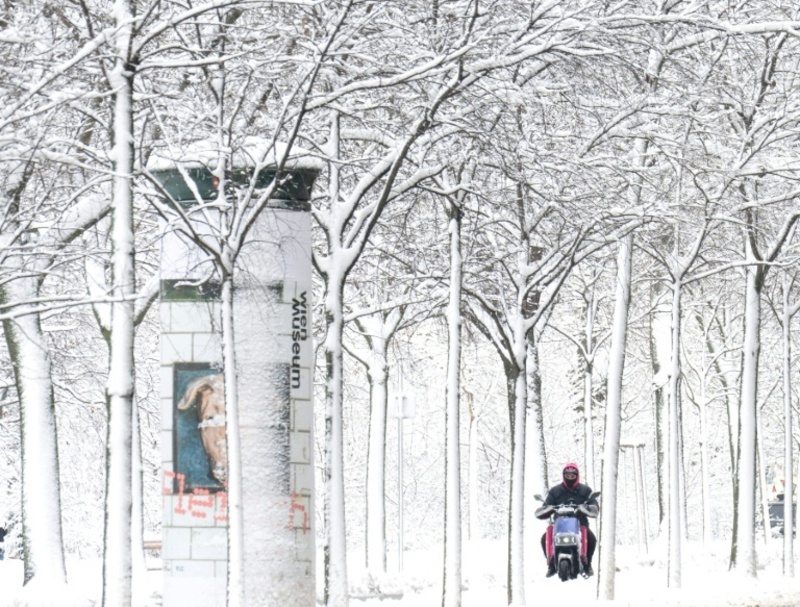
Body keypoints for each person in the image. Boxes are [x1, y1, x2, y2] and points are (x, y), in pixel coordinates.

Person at [536, 462, 599, 577]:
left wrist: (589, 507)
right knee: (544, 538)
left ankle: (587, 564)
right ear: (564, 476)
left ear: (577, 476)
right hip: (559, 525)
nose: (570, 478)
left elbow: (593, 503)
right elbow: (546, 505)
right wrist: (546, 509)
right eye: (568, 476)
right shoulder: (555, 491)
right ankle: (551, 564)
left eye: (572, 476)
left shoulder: (585, 490)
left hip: (580, 524)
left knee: (592, 539)